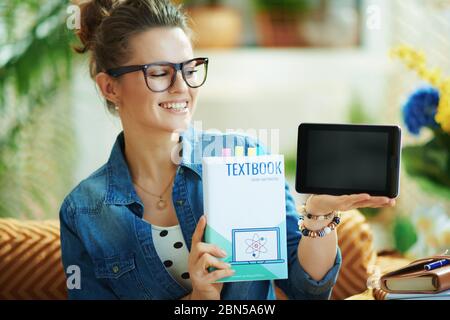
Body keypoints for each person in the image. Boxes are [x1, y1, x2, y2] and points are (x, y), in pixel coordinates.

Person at [60, 0, 396, 300]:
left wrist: (319, 217)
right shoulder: (83, 210)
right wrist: (199, 299)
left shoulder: (245, 157)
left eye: (190, 70)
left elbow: (306, 288)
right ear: (109, 87)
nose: (182, 87)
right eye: (159, 73)